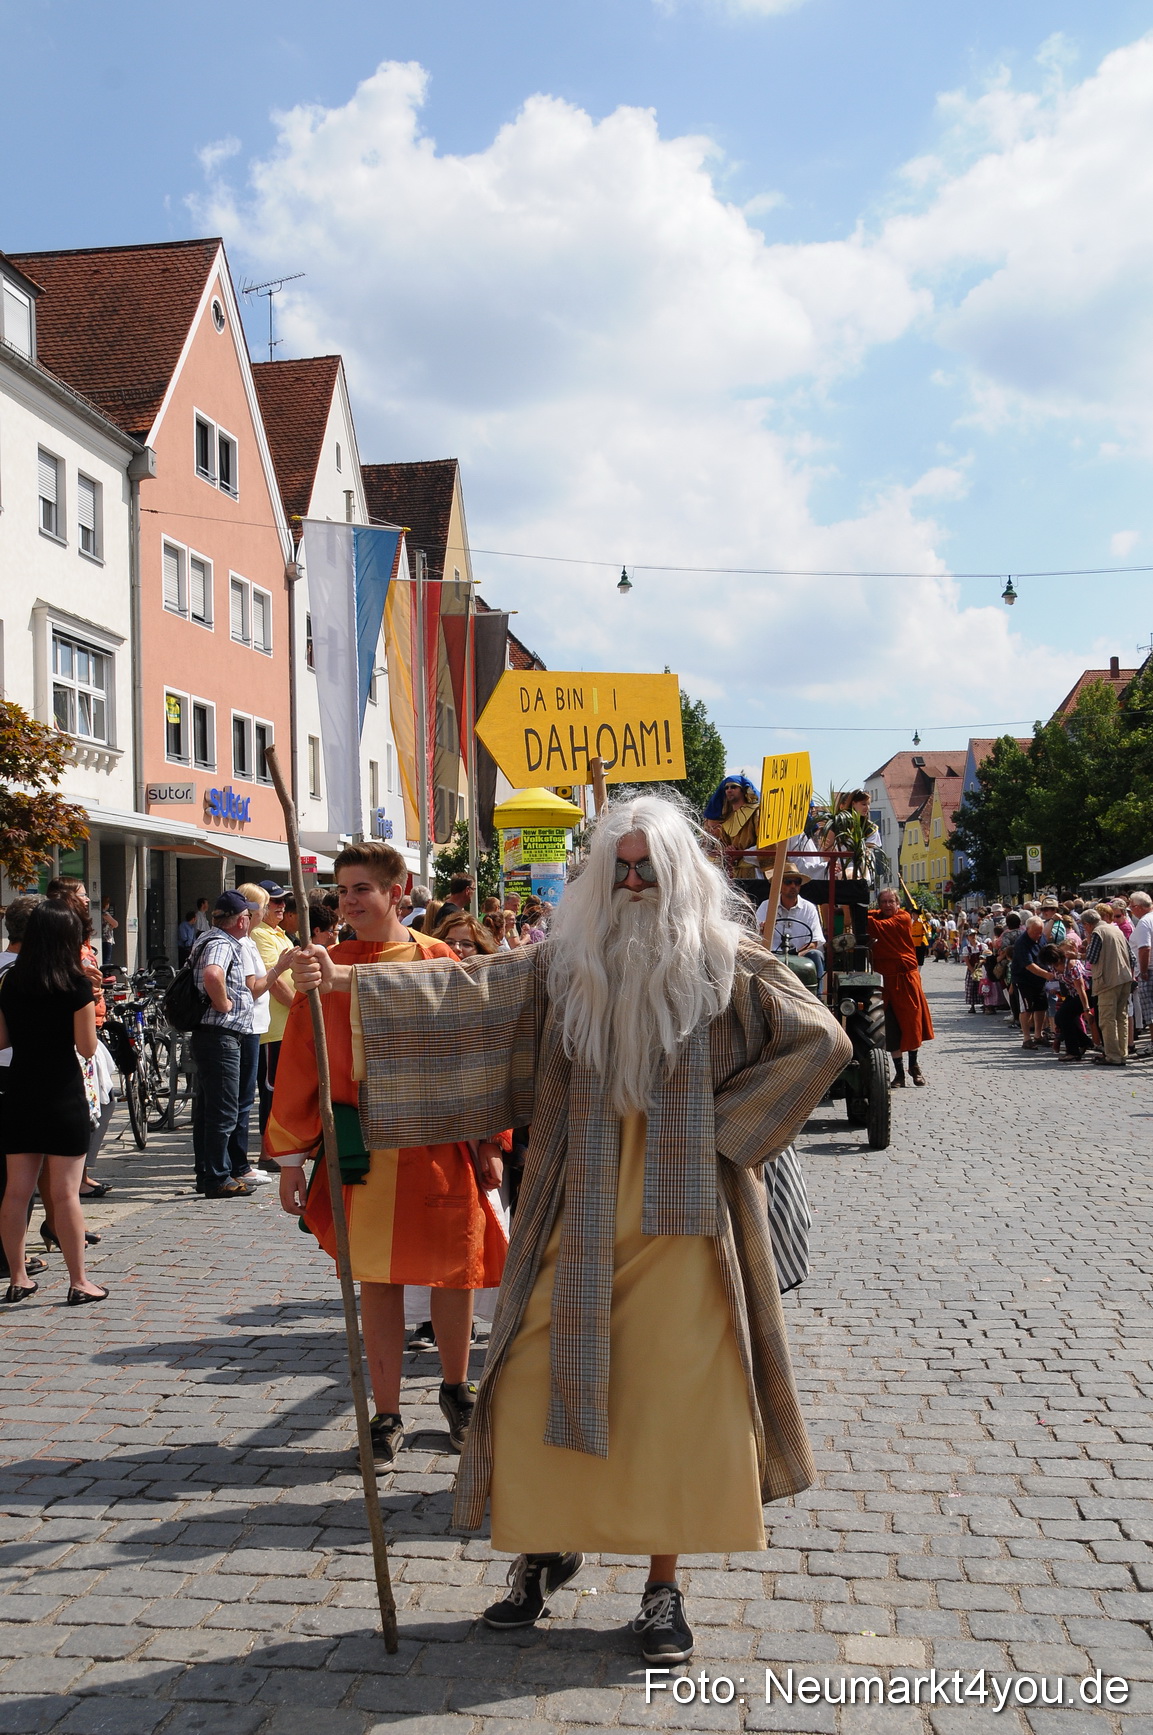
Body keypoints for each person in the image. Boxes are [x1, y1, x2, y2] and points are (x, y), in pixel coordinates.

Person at [292, 793, 850, 1665]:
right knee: (527, 1382)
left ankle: (662, 1591)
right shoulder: (563, 966)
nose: (632, 883)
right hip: (573, 1202)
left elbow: (820, 1040)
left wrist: (725, 1128)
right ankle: (545, 1550)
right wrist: (351, 982)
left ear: (677, 876)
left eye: (647, 869)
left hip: (685, 1220)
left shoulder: (723, 962)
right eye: (618, 868)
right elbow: (463, 996)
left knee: (676, 1406)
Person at [267, 843, 509, 1467]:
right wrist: (292, 1159)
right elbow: (301, 1063)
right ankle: (386, 1412)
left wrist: (491, 1141)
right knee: (375, 1279)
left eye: (361, 889)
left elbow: (477, 1053)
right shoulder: (324, 967)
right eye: (342, 891)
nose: (348, 902)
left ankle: (456, 1390)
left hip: (439, 1143)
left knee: (454, 1273)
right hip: (363, 1150)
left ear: (397, 893)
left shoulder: (439, 959)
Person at [0, 902, 105, 1304]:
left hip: (21, 1090)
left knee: (16, 1191)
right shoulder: (74, 983)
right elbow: (87, 1047)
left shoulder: (11, 980)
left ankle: (17, 1277)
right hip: (62, 1092)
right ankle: (79, 1281)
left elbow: (2, 1040)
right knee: (64, 1194)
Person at [190, 890, 294, 1198]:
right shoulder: (222, 943)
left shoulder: (216, 939)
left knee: (215, 1108)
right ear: (241, 920)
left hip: (221, 1034)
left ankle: (212, 1172)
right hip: (220, 1034)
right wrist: (222, 1003)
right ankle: (217, 1176)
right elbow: (212, 974)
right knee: (222, 1109)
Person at [0, 898, 49, 1285]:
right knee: (22, 1180)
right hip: (26, 1076)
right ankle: (12, 1259)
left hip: (11, 1075)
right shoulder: (33, 974)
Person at [867, 889, 934, 1086]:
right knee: (890, 1026)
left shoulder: (903, 918)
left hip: (906, 980)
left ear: (898, 904)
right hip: (885, 982)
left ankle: (914, 1065)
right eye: (884, 902)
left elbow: (876, 924)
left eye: (891, 901)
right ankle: (899, 1073)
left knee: (912, 1023)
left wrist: (859, 911)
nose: (887, 905)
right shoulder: (878, 916)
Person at [250, 881, 295, 1134]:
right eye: (275, 902)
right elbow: (273, 981)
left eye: (282, 901)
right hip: (273, 1027)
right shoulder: (260, 934)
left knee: (280, 1089)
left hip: (285, 1025)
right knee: (271, 1090)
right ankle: (268, 1150)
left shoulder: (279, 933)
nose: (281, 906)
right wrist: (301, 1007)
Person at [754, 869, 825, 985]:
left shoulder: (809, 908)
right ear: (780, 885)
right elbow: (755, 936)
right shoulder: (767, 905)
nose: (793, 886)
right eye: (788, 882)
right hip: (771, 954)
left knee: (816, 955)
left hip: (800, 955)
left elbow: (814, 942)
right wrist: (763, 929)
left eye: (797, 882)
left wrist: (798, 954)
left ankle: (818, 997)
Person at [1084, 903, 1133, 1067]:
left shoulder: (1098, 932)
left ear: (1088, 924)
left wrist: (1085, 946)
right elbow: (1131, 957)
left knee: (1107, 1019)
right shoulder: (1116, 929)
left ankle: (1113, 1056)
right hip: (1124, 978)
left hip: (1108, 981)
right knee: (1121, 1017)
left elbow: (1092, 958)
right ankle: (1122, 1053)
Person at [702, 774, 765, 889]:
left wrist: (742, 853)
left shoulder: (756, 812)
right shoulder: (727, 820)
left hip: (753, 871)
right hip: (732, 872)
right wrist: (727, 851)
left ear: (743, 790)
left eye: (733, 787)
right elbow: (723, 846)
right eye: (726, 788)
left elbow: (766, 844)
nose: (729, 790)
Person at [1012, 916, 1050, 1050]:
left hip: (1039, 980)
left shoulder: (1042, 938)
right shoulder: (1022, 943)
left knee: (1041, 1007)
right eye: (1036, 932)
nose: (1038, 935)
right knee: (1026, 1009)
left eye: (1040, 932)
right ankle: (1026, 1038)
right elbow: (1029, 965)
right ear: (1027, 929)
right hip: (1024, 980)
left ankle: (1038, 1035)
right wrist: (1046, 974)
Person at [1051, 939, 1092, 1061]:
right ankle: (1085, 1041)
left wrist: (1086, 1009)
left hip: (1086, 993)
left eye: (1066, 952)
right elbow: (1051, 976)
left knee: (1064, 1016)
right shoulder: (1058, 965)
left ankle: (1073, 1051)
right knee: (1060, 1018)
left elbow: (1081, 988)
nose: (1065, 955)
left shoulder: (1072, 964)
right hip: (1072, 994)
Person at [100, 896, 118, 963]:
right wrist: (111, 927)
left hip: (100, 938)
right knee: (106, 960)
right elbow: (116, 924)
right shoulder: (105, 914)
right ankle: (105, 973)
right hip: (106, 939)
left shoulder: (97, 913)